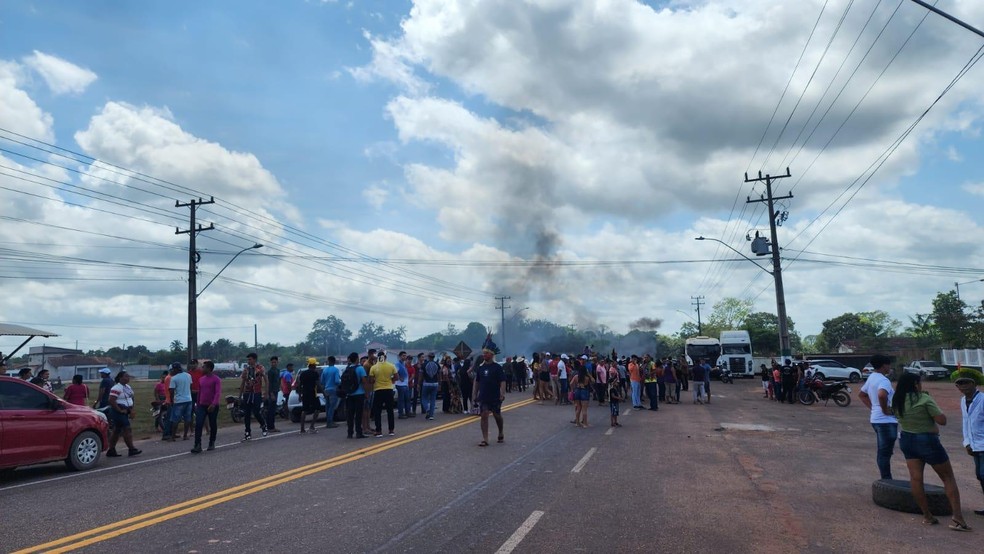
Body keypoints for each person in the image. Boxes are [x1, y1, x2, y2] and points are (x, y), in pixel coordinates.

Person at [892, 372, 970, 530]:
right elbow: (942, 421)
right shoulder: (924, 399)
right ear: (915, 384)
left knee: (915, 479)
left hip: (907, 440)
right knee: (948, 477)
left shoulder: (897, 400)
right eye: (919, 382)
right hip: (927, 441)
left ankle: (927, 516)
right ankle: (958, 518)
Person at [859, 354, 898, 480]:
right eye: (888, 364)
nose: (890, 367)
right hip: (886, 421)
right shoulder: (883, 380)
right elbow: (882, 395)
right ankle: (886, 480)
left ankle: (886, 478)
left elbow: (862, 394)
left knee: (884, 451)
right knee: (884, 453)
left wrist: (874, 408)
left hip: (876, 419)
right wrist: (885, 409)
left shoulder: (872, 377)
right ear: (884, 365)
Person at [956, 376, 984, 517]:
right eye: (960, 384)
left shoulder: (983, 399)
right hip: (974, 445)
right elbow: (965, 423)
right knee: (980, 475)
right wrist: (967, 443)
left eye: (966, 382)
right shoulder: (963, 401)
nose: (963, 386)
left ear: (974, 383)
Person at [472, 348, 505, 447]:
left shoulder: (497, 367)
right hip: (483, 396)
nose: (484, 355)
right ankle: (485, 439)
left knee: (497, 415)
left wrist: (502, 393)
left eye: (486, 353)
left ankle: (500, 432)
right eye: (484, 353)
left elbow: (502, 381)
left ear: (491, 355)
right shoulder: (481, 368)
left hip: (495, 396)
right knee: (484, 415)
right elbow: (477, 382)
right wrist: (474, 394)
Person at [106, 371, 141, 457]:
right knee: (127, 429)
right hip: (118, 412)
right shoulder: (116, 388)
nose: (128, 378)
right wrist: (119, 410)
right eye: (126, 376)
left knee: (117, 431)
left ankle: (111, 450)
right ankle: (131, 449)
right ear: (120, 378)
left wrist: (131, 408)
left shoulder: (127, 387)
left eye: (128, 376)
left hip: (126, 410)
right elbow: (111, 400)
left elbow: (131, 397)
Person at [191, 361, 221, 453]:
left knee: (212, 424)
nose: (202, 369)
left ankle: (211, 442)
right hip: (202, 405)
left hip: (212, 405)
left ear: (209, 368)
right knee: (199, 424)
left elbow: (217, 393)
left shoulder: (216, 379)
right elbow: (200, 392)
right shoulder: (201, 379)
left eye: (203, 367)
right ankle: (197, 445)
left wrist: (213, 404)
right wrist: (198, 403)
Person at [239, 353, 268, 441]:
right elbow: (243, 382)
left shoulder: (260, 368)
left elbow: (266, 380)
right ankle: (247, 432)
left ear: (254, 359)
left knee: (256, 411)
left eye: (250, 359)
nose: (248, 361)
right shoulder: (246, 370)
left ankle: (263, 424)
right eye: (248, 360)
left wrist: (266, 392)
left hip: (257, 393)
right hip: (247, 393)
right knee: (247, 413)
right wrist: (240, 395)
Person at [369, 353, 398, 437]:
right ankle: (391, 430)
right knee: (390, 410)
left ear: (378, 358)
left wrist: (376, 380)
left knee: (377, 411)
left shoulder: (373, 367)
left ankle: (379, 431)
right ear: (385, 357)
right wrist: (390, 380)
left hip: (378, 390)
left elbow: (371, 380)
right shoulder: (391, 366)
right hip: (389, 389)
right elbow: (396, 377)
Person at [343, 352, 369, 439]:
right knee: (358, 414)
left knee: (350, 414)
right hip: (359, 394)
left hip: (349, 394)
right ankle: (359, 432)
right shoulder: (360, 368)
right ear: (357, 359)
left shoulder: (347, 369)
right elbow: (364, 381)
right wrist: (366, 393)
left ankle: (349, 433)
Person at [167, 362, 193, 441]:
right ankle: (185, 435)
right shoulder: (188, 375)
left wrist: (171, 400)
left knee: (175, 419)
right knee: (187, 418)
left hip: (179, 401)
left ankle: (173, 437)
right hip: (188, 399)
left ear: (175, 369)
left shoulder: (174, 378)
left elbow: (171, 391)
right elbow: (190, 386)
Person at [297, 358, 322, 434]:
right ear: (313, 365)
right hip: (312, 394)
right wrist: (323, 392)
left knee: (304, 410)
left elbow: (299, 385)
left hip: (305, 394)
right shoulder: (315, 373)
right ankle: (312, 426)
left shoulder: (303, 374)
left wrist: (300, 395)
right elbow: (318, 384)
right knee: (317, 409)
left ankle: (302, 429)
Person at [320, 356, 341, 428]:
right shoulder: (335, 370)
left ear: (328, 361)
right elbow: (337, 381)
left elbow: (322, 381)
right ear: (334, 362)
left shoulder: (325, 370)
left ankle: (328, 421)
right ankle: (330, 422)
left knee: (327, 406)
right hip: (333, 389)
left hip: (326, 389)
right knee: (332, 407)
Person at [420, 353, 440, 420]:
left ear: (428, 357)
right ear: (434, 357)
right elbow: (439, 375)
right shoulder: (437, 364)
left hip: (426, 383)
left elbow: (421, 375)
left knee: (424, 398)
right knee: (433, 400)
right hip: (435, 383)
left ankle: (427, 408)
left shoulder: (424, 364)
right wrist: (439, 383)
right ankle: (431, 415)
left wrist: (418, 383)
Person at [265, 356, 282, 433]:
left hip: (276, 390)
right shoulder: (270, 371)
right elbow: (270, 383)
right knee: (271, 410)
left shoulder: (278, 370)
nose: (273, 364)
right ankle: (270, 427)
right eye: (272, 362)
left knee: (273, 409)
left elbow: (278, 380)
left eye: (275, 362)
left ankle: (271, 426)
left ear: (277, 362)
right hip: (272, 391)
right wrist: (271, 393)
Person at [395, 352, 411, 420]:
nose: (404, 357)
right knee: (401, 400)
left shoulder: (404, 364)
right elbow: (395, 372)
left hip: (405, 384)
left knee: (407, 399)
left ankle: (408, 412)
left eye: (405, 356)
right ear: (400, 356)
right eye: (403, 356)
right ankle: (400, 413)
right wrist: (399, 377)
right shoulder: (397, 364)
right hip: (400, 384)